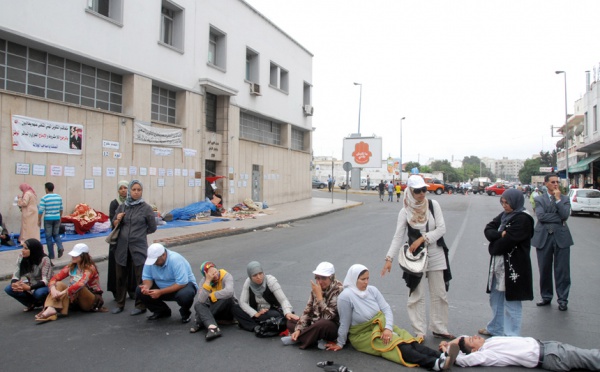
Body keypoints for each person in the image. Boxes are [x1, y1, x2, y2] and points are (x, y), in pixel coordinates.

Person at [327, 264, 458, 371]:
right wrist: (340, 343)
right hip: (363, 335)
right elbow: (345, 322)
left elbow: (386, 309)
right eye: (363, 279)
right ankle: (435, 364)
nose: (366, 282)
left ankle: (442, 355)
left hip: (380, 325)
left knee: (409, 341)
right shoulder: (346, 297)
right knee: (399, 346)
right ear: (353, 279)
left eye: (368, 278)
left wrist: (388, 328)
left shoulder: (372, 290)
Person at [381, 175, 454, 340]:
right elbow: (398, 237)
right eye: (418, 191)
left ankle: (439, 327)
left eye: (424, 189)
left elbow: (441, 229)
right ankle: (419, 331)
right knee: (416, 294)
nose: (422, 194)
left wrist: (423, 238)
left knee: (440, 293)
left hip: (435, 251)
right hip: (416, 258)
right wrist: (389, 258)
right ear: (410, 191)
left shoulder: (433, 206)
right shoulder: (405, 211)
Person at [479, 189, 534, 337]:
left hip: (514, 266)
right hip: (499, 265)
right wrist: (498, 235)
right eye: (502, 202)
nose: (504, 205)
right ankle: (495, 328)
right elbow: (488, 228)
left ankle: (512, 336)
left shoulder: (523, 219)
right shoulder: (505, 216)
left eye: (507, 202)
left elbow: (506, 243)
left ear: (516, 202)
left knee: (512, 302)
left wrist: (493, 244)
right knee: (495, 298)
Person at [111, 180, 157, 315]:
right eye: (134, 189)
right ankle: (120, 303)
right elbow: (113, 223)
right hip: (122, 247)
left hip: (139, 247)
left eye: (139, 190)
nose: (136, 192)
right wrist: (117, 219)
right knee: (120, 276)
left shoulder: (146, 208)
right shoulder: (123, 207)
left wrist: (140, 234)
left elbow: (152, 227)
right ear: (130, 191)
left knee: (141, 277)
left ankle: (141, 305)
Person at [440, 334, 600, 371]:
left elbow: (461, 339)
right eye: (472, 340)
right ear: (474, 350)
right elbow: (463, 360)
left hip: (548, 346)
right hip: (551, 356)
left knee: (590, 356)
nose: (474, 336)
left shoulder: (488, 342)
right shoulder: (487, 353)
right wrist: (447, 350)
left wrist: (451, 342)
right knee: (593, 357)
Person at [532, 174, 573, 311]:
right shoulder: (539, 199)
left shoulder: (565, 199)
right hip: (543, 237)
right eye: (553, 182)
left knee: (562, 270)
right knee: (544, 269)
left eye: (557, 182)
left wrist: (558, 199)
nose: (556, 184)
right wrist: (557, 218)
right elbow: (541, 217)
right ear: (546, 184)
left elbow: (565, 215)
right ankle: (546, 296)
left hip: (561, 237)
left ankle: (563, 299)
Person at [35, 243, 106, 321]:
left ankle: (52, 309)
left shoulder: (90, 268)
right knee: (58, 284)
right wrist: (53, 289)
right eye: (73, 255)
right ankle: (51, 308)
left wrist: (62, 293)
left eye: (76, 255)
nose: (73, 257)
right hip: (74, 297)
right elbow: (54, 278)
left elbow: (81, 283)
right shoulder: (71, 267)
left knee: (80, 287)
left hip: (90, 298)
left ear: (83, 256)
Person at [283, 261, 343, 349]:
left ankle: (300, 338)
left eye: (323, 278)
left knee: (322, 324)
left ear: (331, 278)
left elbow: (329, 317)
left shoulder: (338, 290)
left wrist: (320, 298)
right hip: (315, 323)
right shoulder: (316, 288)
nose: (320, 281)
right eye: (317, 278)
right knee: (291, 320)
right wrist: (299, 329)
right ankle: (310, 337)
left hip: (331, 326)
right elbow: (308, 310)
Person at [137, 243, 198, 323]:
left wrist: (160, 292)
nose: (154, 263)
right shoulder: (150, 261)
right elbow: (147, 277)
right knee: (139, 290)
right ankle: (162, 311)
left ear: (164, 254)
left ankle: (185, 312)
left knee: (185, 295)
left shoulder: (175, 259)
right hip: (161, 287)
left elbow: (182, 283)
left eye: (156, 261)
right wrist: (146, 287)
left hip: (181, 287)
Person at [233, 261, 299, 332]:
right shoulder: (248, 282)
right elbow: (243, 302)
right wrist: (255, 314)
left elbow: (283, 300)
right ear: (250, 276)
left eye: (260, 273)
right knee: (235, 308)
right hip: (257, 311)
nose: (259, 277)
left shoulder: (271, 281)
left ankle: (250, 323)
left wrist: (287, 312)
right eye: (255, 275)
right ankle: (256, 326)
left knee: (274, 315)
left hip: (271, 311)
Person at [190, 261, 236, 340]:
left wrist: (212, 295)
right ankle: (213, 328)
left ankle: (200, 321)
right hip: (214, 309)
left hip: (227, 310)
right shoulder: (204, 281)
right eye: (212, 274)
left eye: (215, 272)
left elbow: (229, 292)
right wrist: (208, 282)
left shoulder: (226, 276)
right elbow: (201, 300)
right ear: (206, 275)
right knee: (198, 304)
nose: (215, 275)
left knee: (227, 298)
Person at [5, 238, 53, 311]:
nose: (22, 250)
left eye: (25, 248)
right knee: (9, 289)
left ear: (33, 250)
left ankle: (47, 304)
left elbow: (45, 281)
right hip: (30, 284)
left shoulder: (44, 259)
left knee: (39, 293)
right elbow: (16, 275)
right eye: (22, 247)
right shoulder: (21, 257)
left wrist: (29, 288)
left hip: (44, 285)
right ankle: (31, 303)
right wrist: (14, 284)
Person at [106, 180, 134, 300]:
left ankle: (132, 289)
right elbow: (113, 221)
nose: (123, 190)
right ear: (118, 190)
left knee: (132, 265)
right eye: (121, 188)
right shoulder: (114, 203)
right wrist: (118, 219)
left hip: (130, 238)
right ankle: (117, 291)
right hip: (118, 239)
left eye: (125, 188)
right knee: (116, 265)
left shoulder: (133, 203)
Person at [38, 182, 64, 260]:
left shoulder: (44, 198)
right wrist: (60, 217)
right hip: (56, 218)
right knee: (56, 234)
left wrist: (39, 220)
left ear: (46, 189)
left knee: (48, 237)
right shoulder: (59, 197)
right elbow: (61, 209)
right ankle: (60, 247)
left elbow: (41, 210)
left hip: (48, 219)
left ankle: (51, 255)